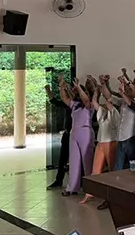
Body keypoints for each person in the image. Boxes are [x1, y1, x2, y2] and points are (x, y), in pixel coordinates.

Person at [80, 78, 120, 206]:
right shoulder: (102, 112)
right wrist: (97, 90)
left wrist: (112, 107)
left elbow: (116, 125)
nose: (106, 103)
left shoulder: (115, 114)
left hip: (111, 143)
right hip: (100, 143)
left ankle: (112, 197)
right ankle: (90, 193)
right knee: (95, 170)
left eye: (108, 102)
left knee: (112, 171)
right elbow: (94, 102)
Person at [60, 77, 95, 196]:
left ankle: (91, 189)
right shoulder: (74, 105)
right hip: (74, 133)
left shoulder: (88, 106)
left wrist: (79, 87)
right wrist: (61, 86)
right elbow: (64, 98)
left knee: (87, 161)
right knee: (74, 161)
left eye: (78, 92)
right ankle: (72, 188)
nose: (76, 94)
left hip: (85, 132)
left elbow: (85, 99)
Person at [44, 83, 72, 190]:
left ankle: (80, 183)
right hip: (67, 134)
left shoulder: (78, 104)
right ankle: (59, 180)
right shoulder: (67, 104)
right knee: (62, 159)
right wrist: (48, 90)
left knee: (77, 160)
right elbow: (54, 101)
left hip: (76, 135)